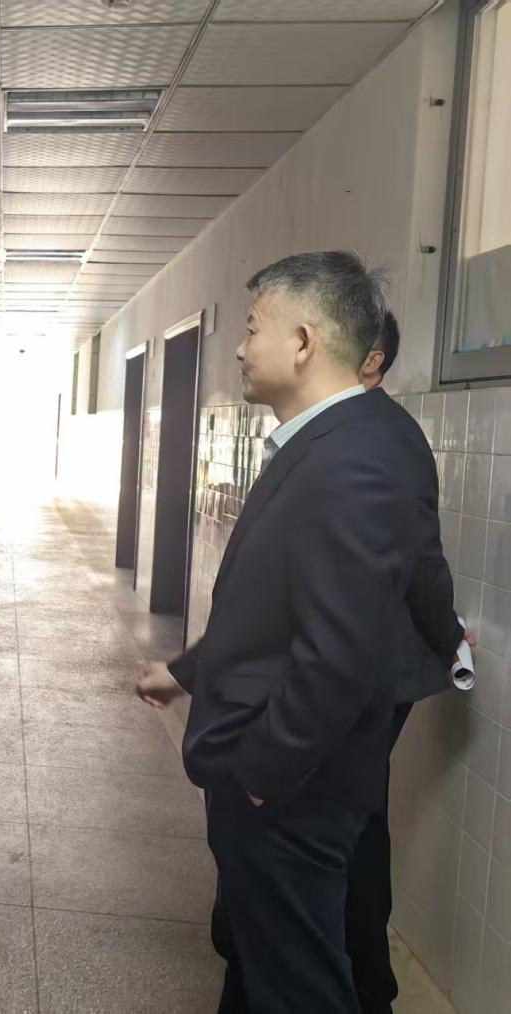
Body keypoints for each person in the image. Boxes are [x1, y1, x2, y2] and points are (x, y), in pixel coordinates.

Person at [135, 252, 465, 1013]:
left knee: (300, 984)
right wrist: (191, 673)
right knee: (266, 964)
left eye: (254, 328)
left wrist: (263, 771)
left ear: (305, 342)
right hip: (285, 767)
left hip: (291, 784)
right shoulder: (328, 441)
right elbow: (277, 613)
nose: (240, 347)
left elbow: (338, 652)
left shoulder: (354, 458)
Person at [349, 310, 472, 1014]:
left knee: (355, 823)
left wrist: (448, 636)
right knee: (354, 818)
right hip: (365, 663)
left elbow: (420, 560)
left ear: (370, 360)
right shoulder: (353, 427)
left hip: (374, 670)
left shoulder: (384, 436)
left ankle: (367, 986)